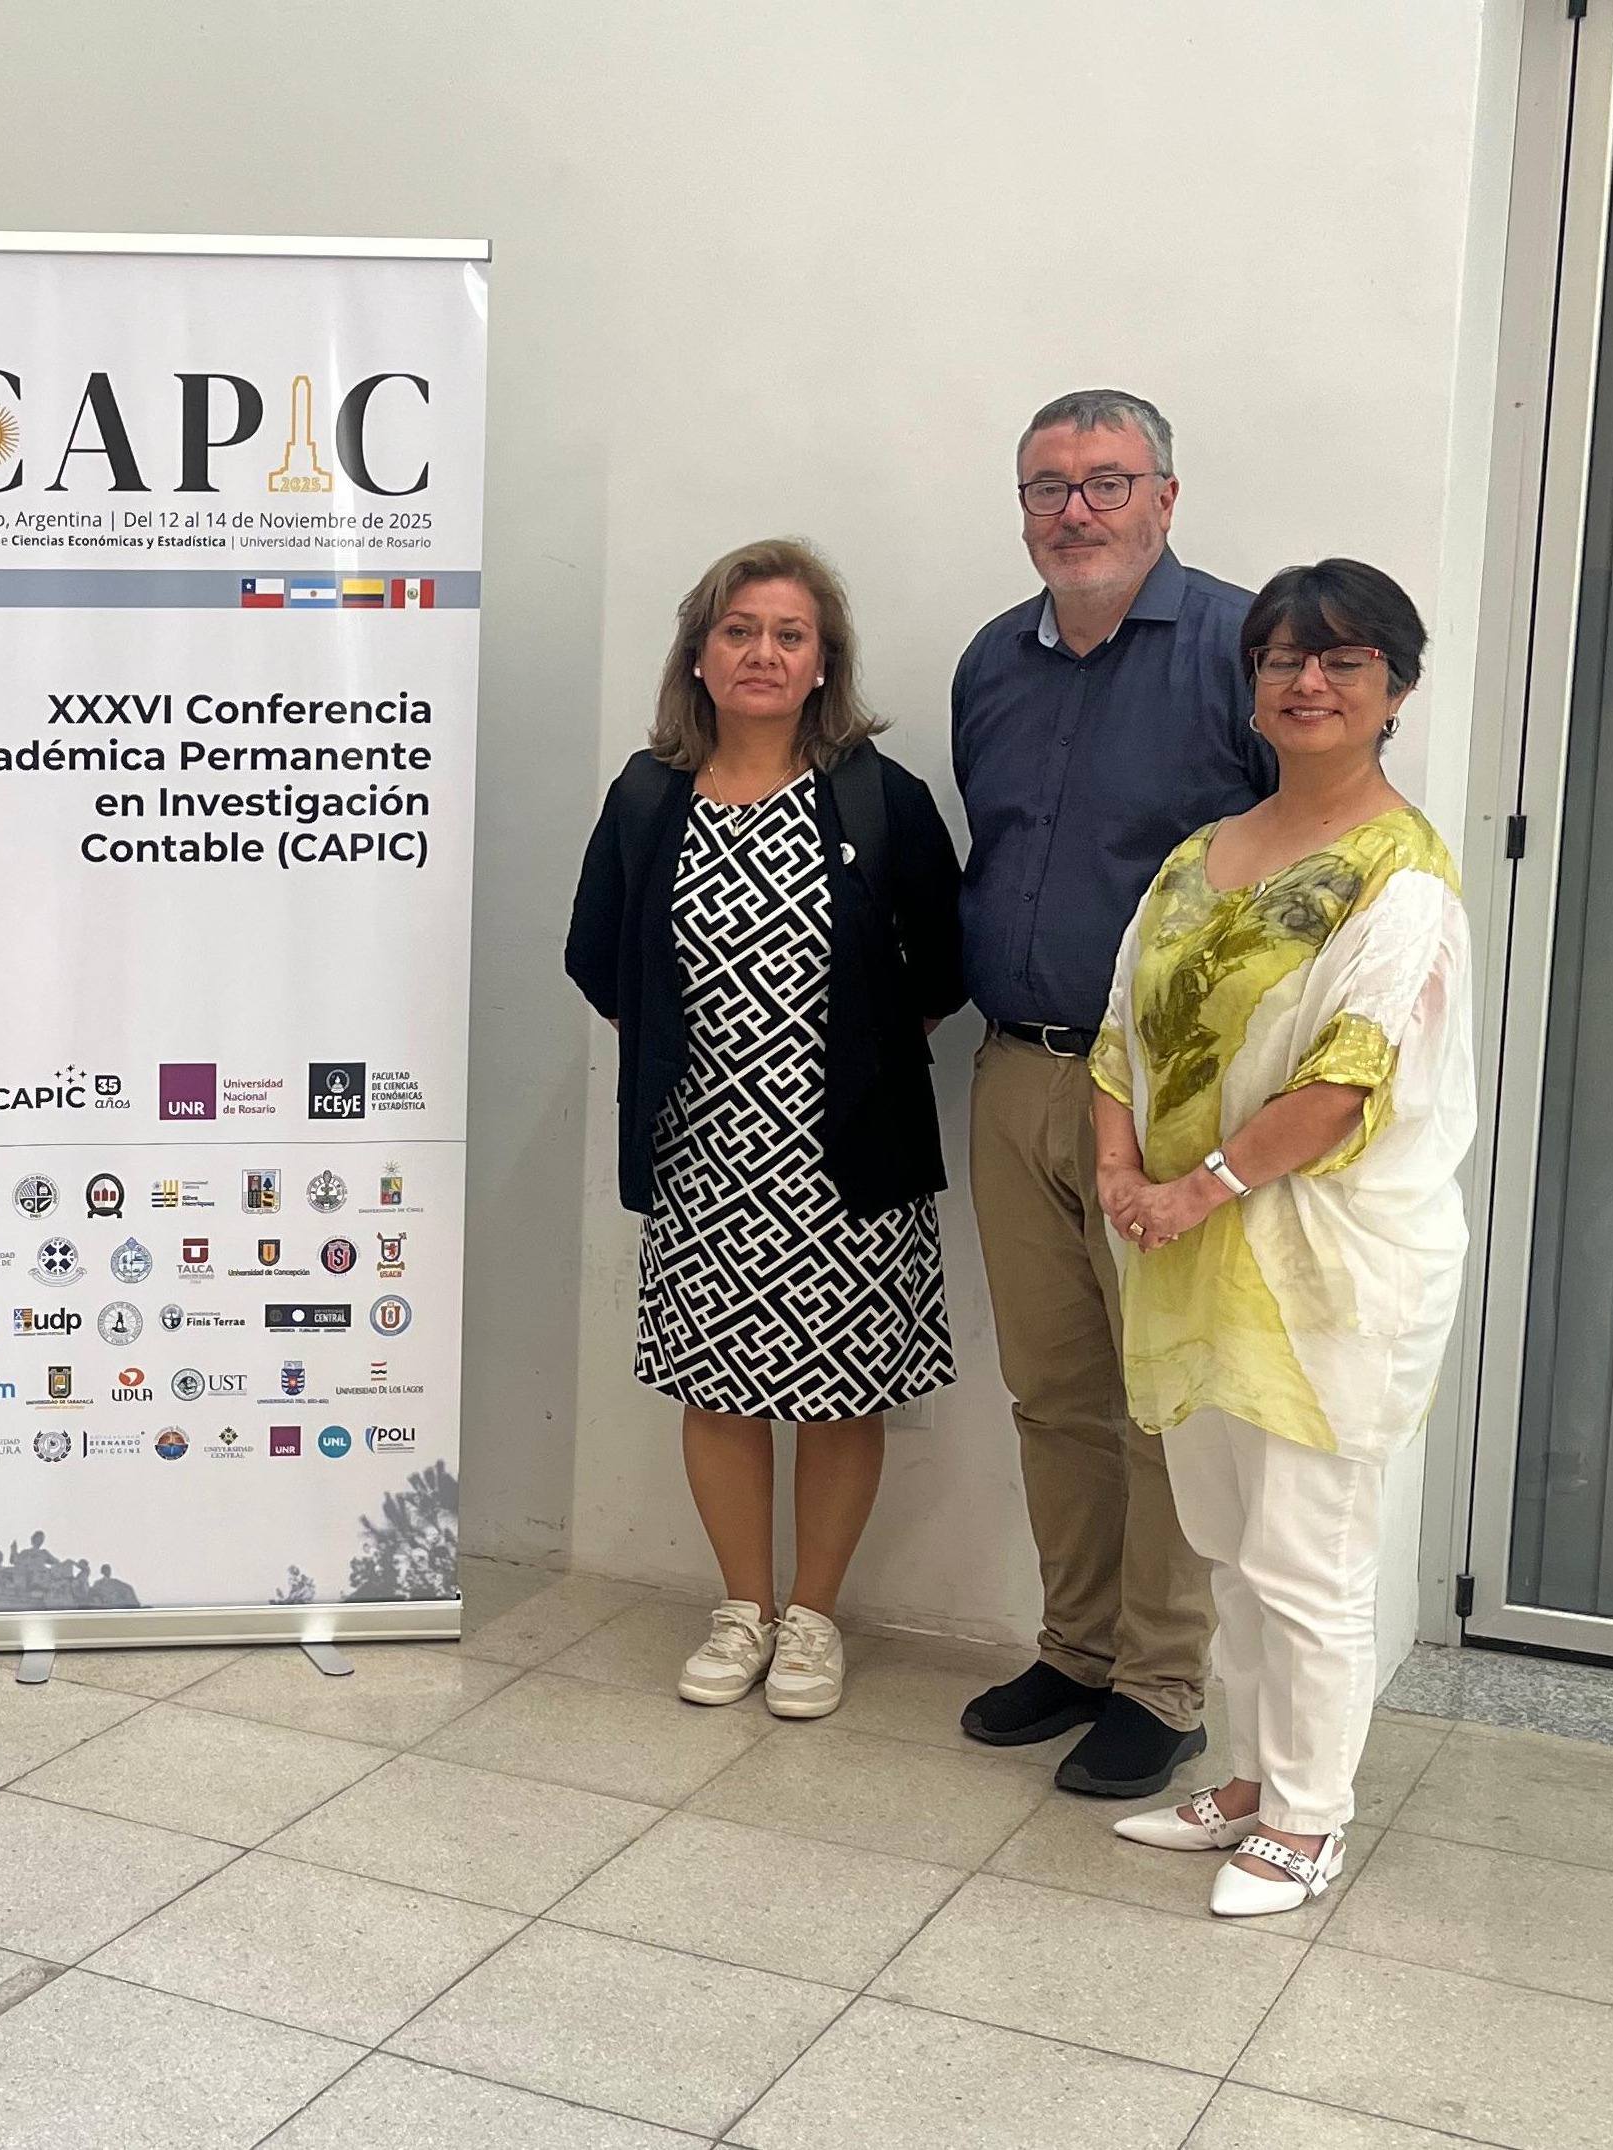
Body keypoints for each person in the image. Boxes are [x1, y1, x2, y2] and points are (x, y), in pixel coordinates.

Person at [1095, 561, 1473, 1914]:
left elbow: (1347, 1077)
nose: (1308, 681)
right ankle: (1252, 1778)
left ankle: (1311, 1820)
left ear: (1395, 688)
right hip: (1190, 1252)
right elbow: (1120, 1031)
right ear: (1252, 683)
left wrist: (1188, 1188)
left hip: (1325, 1269)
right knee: (1231, 1543)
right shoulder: (1202, 852)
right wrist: (1121, 1171)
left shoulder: (1401, 876)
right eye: (1282, 658)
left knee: (1310, 1553)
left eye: (1344, 659)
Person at [566, 539, 964, 1718]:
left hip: (849, 1152)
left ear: (822, 662)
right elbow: (598, 953)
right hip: (702, 1149)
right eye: (738, 630)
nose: (762, 652)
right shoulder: (649, 797)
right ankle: (742, 1608)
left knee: (843, 1392)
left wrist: (847, 1053)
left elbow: (942, 963)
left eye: (790, 635)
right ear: (698, 653)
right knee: (718, 1387)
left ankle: (813, 1619)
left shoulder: (879, 798)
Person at [950, 389, 1274, 1798]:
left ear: (1165, 497)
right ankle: (1077, 1649)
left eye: (1105, 481)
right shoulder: (991, 661)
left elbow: (1299, 855)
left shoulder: (1243, 650)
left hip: (1161, 1095)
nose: (1074, 510)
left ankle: (1159, 1682)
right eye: (1048, 486)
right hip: (1014, 1071)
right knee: (1053, 1390)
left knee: (1160, 1405)